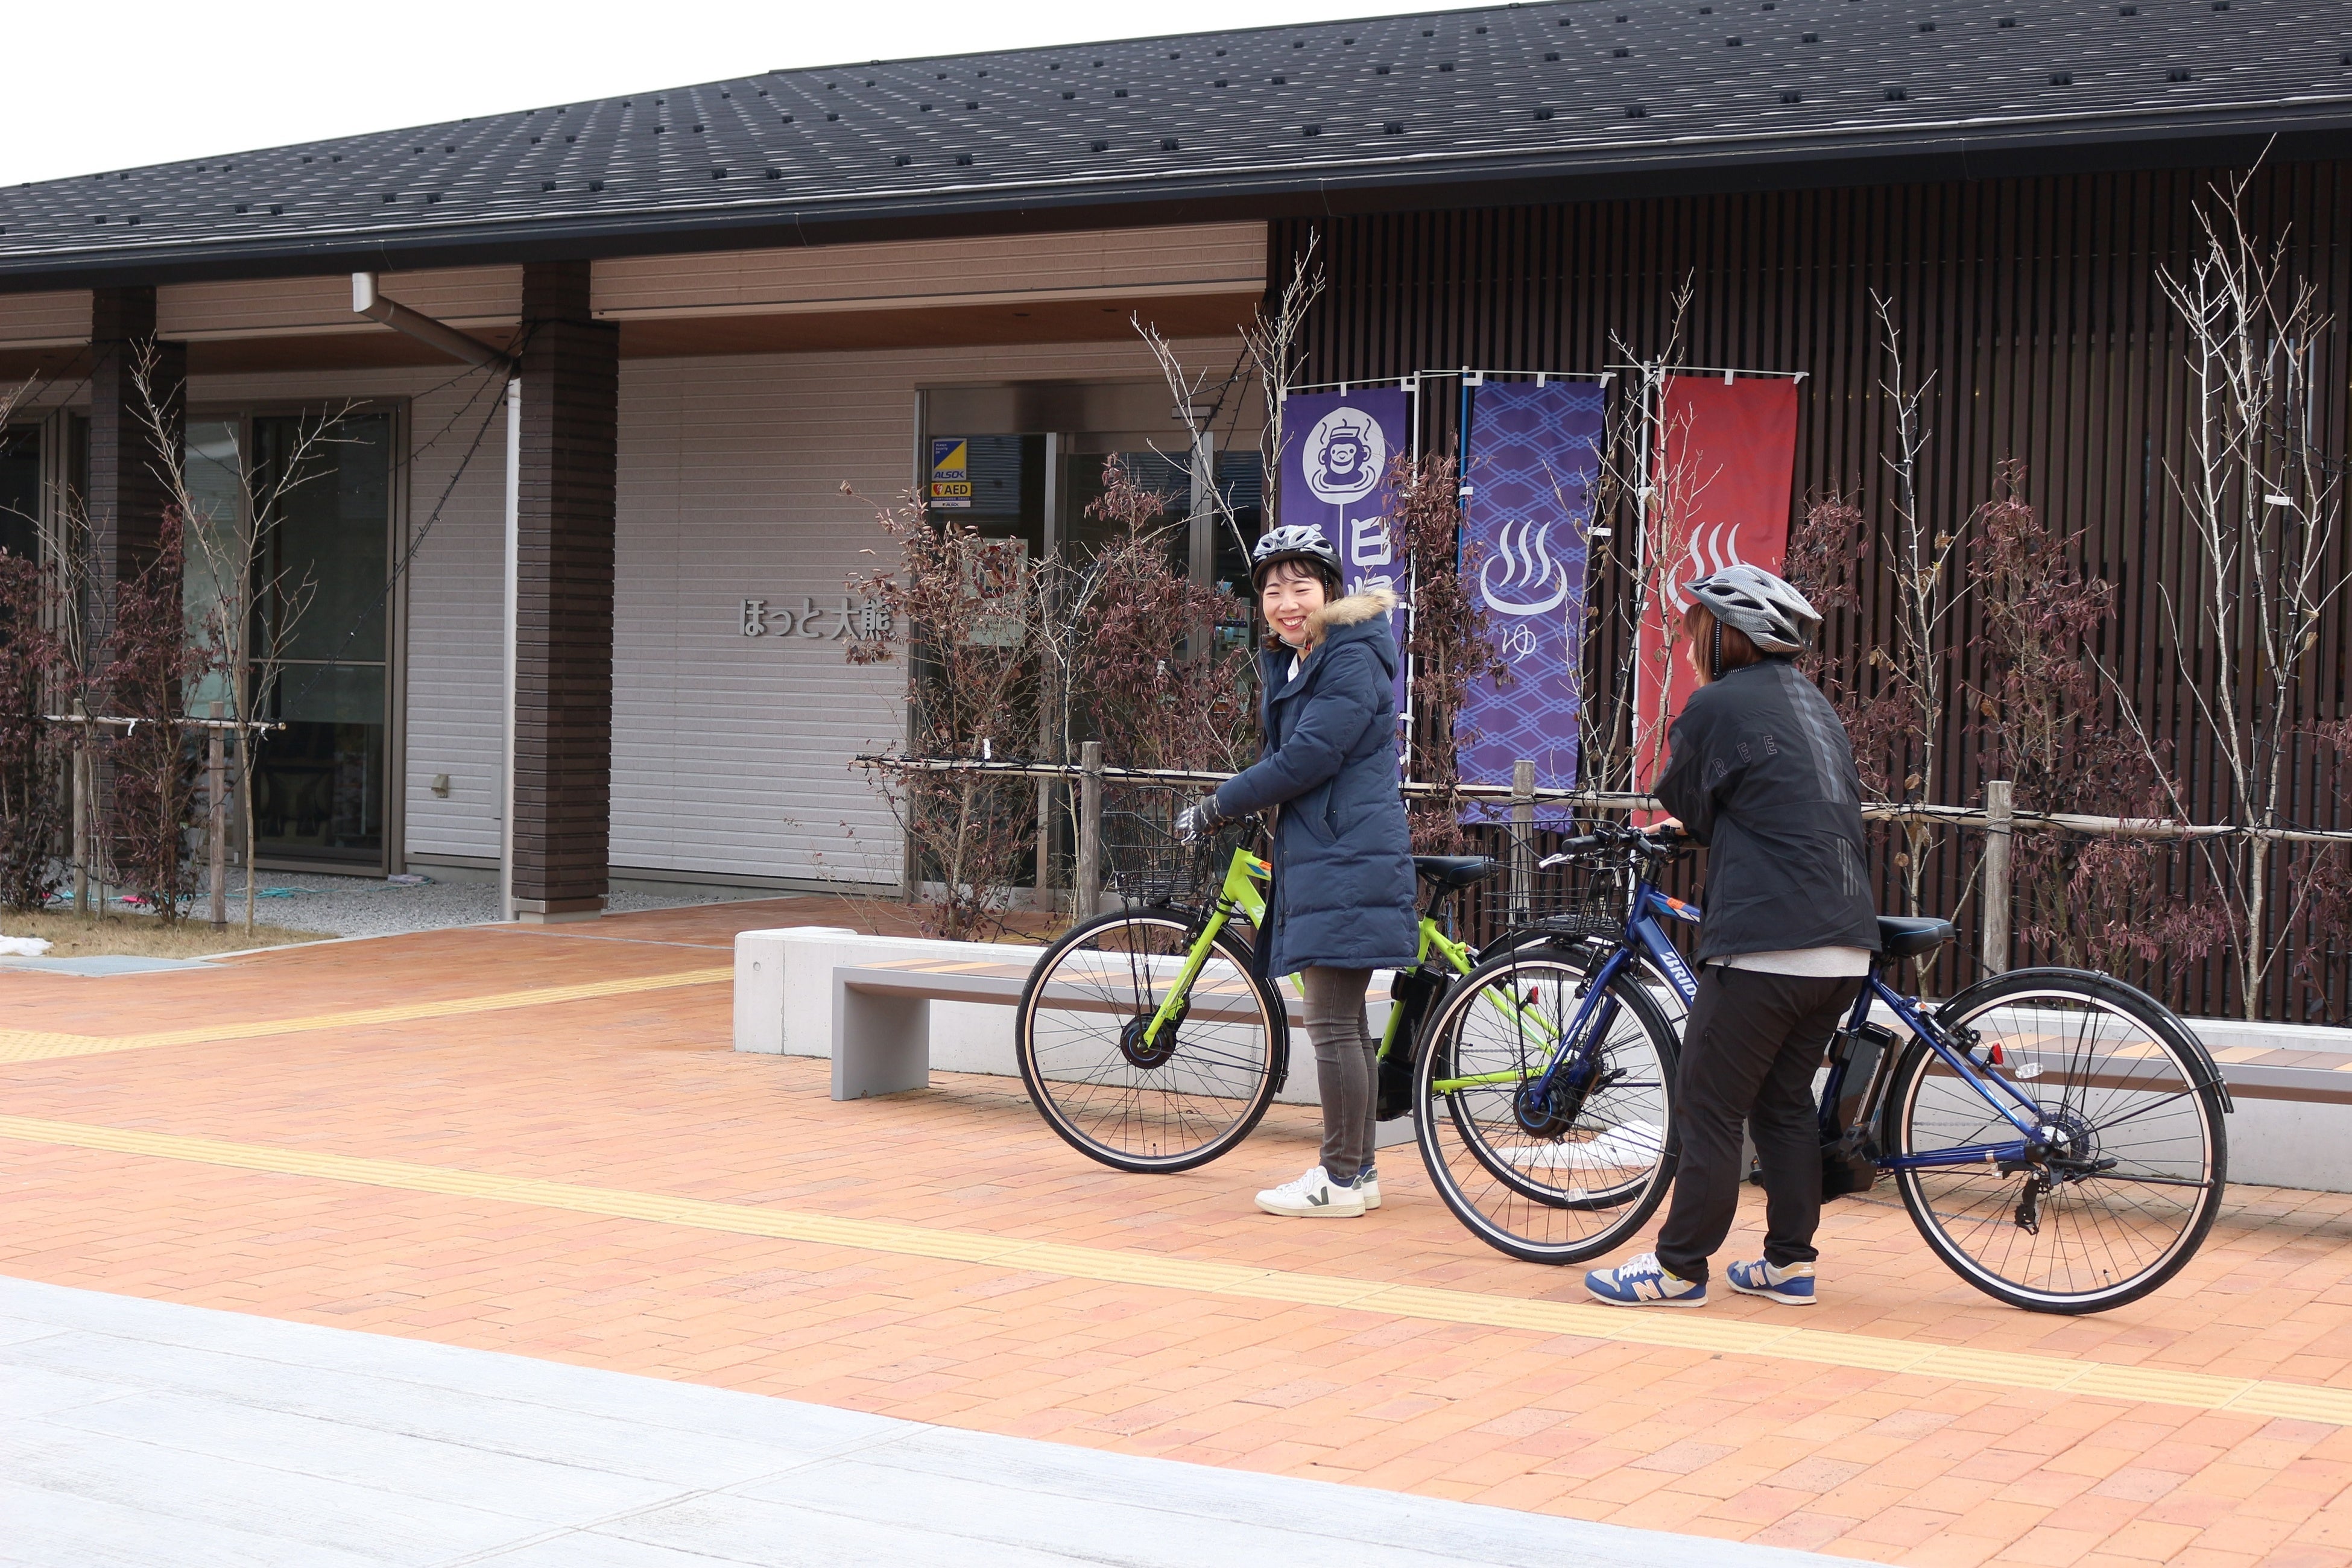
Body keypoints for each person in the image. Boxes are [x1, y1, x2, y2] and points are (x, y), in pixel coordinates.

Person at [1585, 564, 1880, 1307]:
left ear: (1724, 636)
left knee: (1707, 1105)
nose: (1686, 647)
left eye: (1692, 633)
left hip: (1768, 942)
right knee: (1782, 1102)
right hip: (1843, 941)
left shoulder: (1717, 704)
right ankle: (1789, 1262)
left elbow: (1691, 798)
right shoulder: (1814, 705)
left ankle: (1679, 1266)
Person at [1176, 525, 1419, 1219]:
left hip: (1346, 853)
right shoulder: (1302, 656)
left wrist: (1219, 804)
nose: (1286, 602)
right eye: (1273, 589)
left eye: (1300, 587)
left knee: (1335, 1024)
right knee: (1340, 1022)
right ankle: (1359, 1171)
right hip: (1330, 847)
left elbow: (1310, 756)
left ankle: (1340, 1179)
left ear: (1330, 592)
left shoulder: (1350, 654)